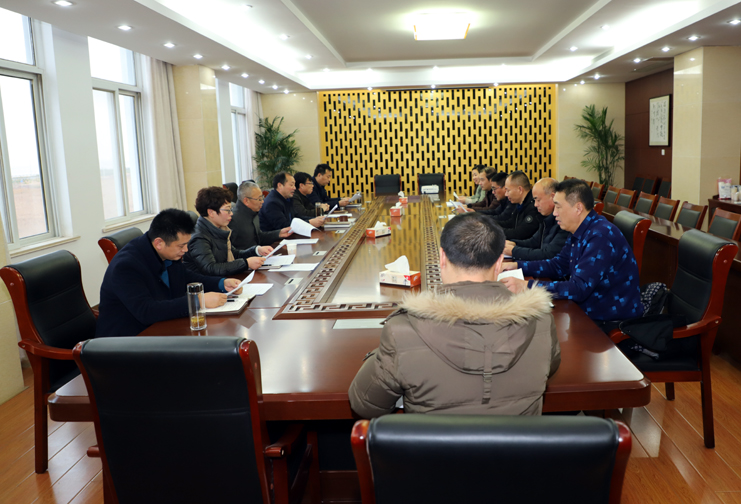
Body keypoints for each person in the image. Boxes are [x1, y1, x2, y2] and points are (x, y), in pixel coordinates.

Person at [348, 212, 560, 418]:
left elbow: (365, 405)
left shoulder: (403, 331)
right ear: (498, 263)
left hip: (434, 444)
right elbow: (549, 368)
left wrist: (385, 353)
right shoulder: (541, 321)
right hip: (517, 443)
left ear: (442, 258)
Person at [500, 179, 643, 332]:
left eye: (558, 207)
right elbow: (558, 265)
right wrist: (517, 265)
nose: (555, 213)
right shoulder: (580, 229)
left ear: (578, 208)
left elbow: (579, 288)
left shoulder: (600, 236)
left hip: (609, 320)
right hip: (587, 311)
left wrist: (527, 286)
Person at [96, 209, 244, 337]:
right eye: (181, 245)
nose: (186, 250)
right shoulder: (126, 266)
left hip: (160, 329)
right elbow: (147, 312)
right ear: (159, 243)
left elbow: (186, 277)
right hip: (125, 343)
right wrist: (198, 301)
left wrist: (221, 283)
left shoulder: (167, 254)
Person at [184, 186, 268, 276]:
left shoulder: (220, 229)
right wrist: (246, 263)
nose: (231, 213)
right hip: (208, 284)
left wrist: (256, 250)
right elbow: (211, 268)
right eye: (228, 210)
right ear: (211, 213)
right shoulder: (199, 238)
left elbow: (234, 254)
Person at [503, 178, 569, 261]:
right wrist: (513, 243)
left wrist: (514, 251)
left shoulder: (564, 222)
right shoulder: (546, 217)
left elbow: (548, 254)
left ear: (552, 197)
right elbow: (534, 242)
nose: (535, 205)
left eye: (538, 200)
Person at [230, 181, 292, 250]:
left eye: (262, 197)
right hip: (248, 256)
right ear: (246, 201)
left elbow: (259, 237)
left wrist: (279, 233)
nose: (262, 201)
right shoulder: (233, 219)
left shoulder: (253, 212)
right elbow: (231, 251)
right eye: (259, 199)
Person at [260, 172, 326, 232]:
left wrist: (315, 219)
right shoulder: (272, 203)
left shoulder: (287, 198)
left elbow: (296, 217)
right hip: (276, 240)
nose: (294, 188)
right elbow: (284, 226)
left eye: (294, 185)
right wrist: (310, 222)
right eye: (291, 185)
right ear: (280, 185)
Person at [496, 170, 540, 240]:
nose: (506, 194)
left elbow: (519, 234)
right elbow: (511, 223)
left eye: (508, 190)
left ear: (520, 189)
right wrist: (489, 223)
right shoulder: (520, 203)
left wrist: (493, 231)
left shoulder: (534, 207)